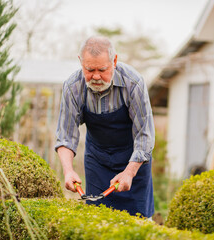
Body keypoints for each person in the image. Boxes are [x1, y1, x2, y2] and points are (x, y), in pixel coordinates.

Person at [55, 36, 155, 218]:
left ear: (114, 61)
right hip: (98, 161)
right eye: (89, 69)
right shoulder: (73, 87)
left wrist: (129, 172)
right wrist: (68, 170)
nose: (95, 76)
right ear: (80, 62)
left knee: (140, 222)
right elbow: (65, 136)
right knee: (97, 220)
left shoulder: (133, 84)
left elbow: (145, 135)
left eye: (102, 69)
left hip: (134, 161)